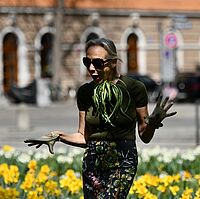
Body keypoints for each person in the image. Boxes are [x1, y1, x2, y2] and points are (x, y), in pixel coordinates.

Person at [25, 38, 177, 199]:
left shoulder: (134, 88)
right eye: (87, 62)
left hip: (123, 160)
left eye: (97, 63)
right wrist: (58, 136)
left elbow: (144, 136)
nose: (91, 68)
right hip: (93, 161)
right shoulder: (85, 92)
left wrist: (152, 123)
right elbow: (84, 136)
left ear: (112, 63)